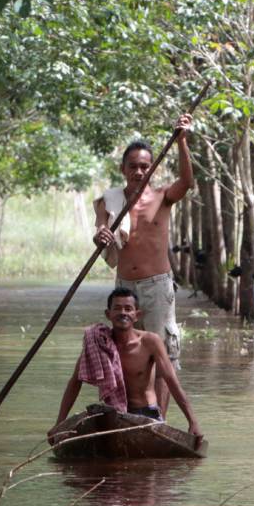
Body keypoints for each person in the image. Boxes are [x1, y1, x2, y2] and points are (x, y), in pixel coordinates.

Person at [92, 114, 193, 416]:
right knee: (125, 352)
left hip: (156, 286)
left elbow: (187, 182)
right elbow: (99, 233)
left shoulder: (162, 196)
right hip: (124, 288)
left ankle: (158, 420)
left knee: (162, 354)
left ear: (152, 167)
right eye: (133, 166)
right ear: (123, 169)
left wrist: (182, 141)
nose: (139, 171)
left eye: (145, 166)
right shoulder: (108, 201)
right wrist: (102, 235)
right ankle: (129, 415)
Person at [54, 288, 201, 440]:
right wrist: (60, 424)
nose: (122, 313)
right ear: (108, 314)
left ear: (137, 315)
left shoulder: (150, 342)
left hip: (145, 414)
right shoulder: (98, 342)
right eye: (117, 308)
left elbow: (171, 381)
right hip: (114, 415)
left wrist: (192, 421)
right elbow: (75, 383)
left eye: (128, 309)